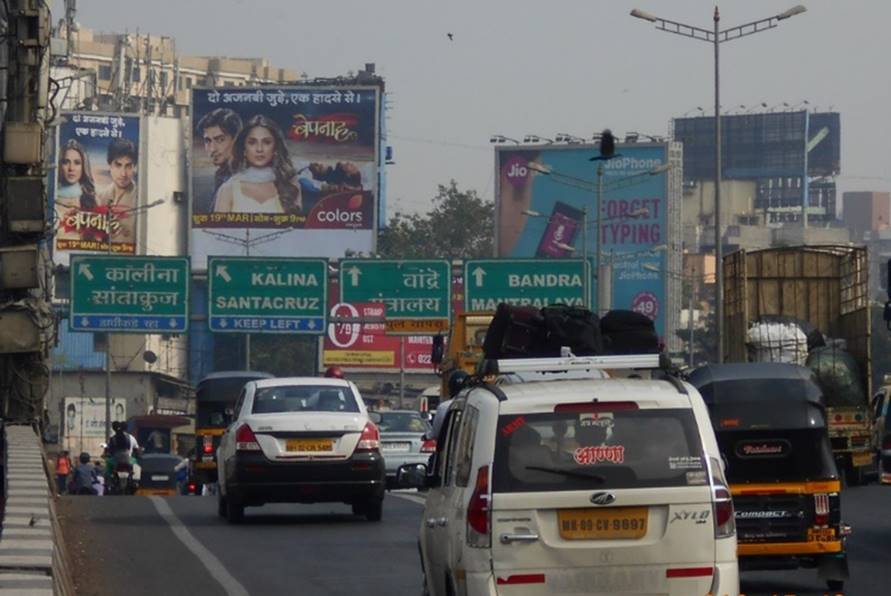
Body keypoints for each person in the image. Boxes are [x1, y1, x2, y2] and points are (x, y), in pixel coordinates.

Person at [213, 115, 302, 215]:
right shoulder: (228, 190)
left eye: (267, 142)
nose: (259, 149)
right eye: (252, 142)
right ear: (244, 150)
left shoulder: (290, 186)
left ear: (275, 149)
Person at [196, 108, 243, 206]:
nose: (212, 149)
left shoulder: (244, 178)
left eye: (220, 140)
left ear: (236, 140)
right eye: (208, 141)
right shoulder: (222, 174)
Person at [56, 139, 97, 210]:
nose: (71, 168)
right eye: (66, 162)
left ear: (84, 166)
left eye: (77, 163)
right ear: (60, 165)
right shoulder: (51, 195)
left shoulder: (91, 197)